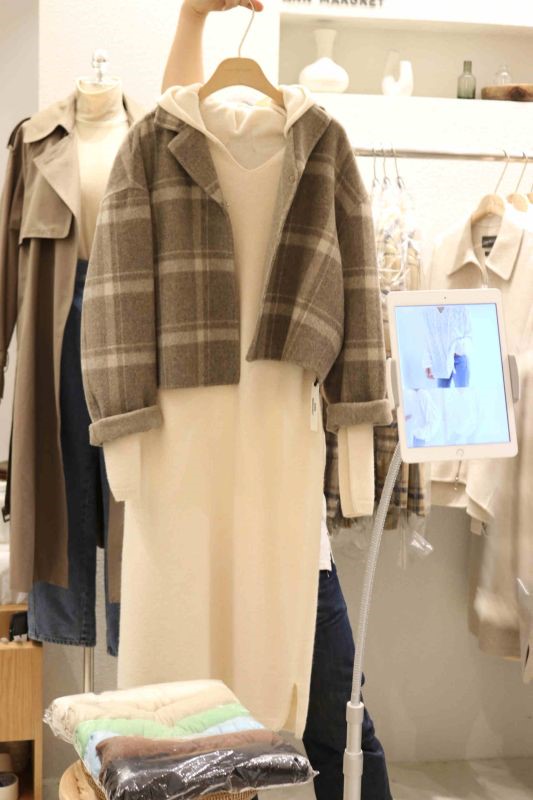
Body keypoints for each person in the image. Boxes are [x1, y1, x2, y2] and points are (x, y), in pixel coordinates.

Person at [160, 4, 393, 799]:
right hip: (198, 499)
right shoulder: (170, 168)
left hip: (287, 511)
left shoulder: (317, 157)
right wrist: (192, 18)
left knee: (330, 718)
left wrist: (357, 449)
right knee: (209, 722)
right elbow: (171, 116)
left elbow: (358, 311)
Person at [422, 304, 472, 388]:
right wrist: (427, 362)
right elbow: (428, 338)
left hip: (458, 357)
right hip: (439, 360)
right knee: (441, 393)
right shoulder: (428, 311)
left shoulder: (461, 307)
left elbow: (469, 334)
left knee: (463, 392)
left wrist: (457, 348)